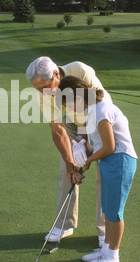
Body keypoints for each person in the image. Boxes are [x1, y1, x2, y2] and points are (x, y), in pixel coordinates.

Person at [26, 57, 112, 246]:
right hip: (73, 122)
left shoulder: (79, 71)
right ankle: (64, 224)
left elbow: (96, 105)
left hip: (100, 120)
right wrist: (70, 163)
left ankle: (106, 229)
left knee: (104, 170)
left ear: (56, 74)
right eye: (37, 89)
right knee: (67, 170)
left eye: (45, 87)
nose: (42, 92)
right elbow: (57, 130)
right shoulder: (43, 94)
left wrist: (85, 141)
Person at [58, 75, 138, 262]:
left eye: (68, 103)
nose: (69, 108)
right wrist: (82, 165)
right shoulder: (92, 112)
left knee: (114, 212)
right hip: (110, 162)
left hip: (119, 161)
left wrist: (88, 160)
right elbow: (96, 147)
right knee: (108, 209)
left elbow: (110, 146)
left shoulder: (102, 110)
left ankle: (113, 255)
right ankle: (105, 250)